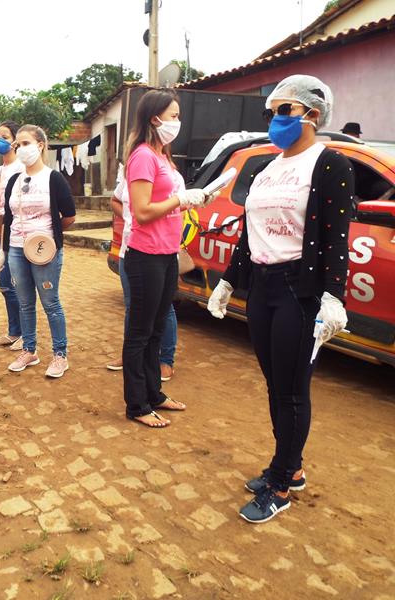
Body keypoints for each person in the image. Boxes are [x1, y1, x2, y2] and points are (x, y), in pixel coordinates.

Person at [207, 75, 353, 523]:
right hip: (264, 288)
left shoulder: (330, 165)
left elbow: (335, 238)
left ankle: (282, 484)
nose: (276, 120)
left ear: (312, 113)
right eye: (272, 112)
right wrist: (230, 280)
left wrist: (332, 296)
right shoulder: (268, 167)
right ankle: (288, 464)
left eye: (285, 110)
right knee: (276, 383)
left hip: (297, 289)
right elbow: (252, 232)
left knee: (290, 389)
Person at [121, 89, 211, 428]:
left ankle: (154, 393)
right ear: (155, 118)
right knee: (140, 333)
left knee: (157, 328)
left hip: (167, 253)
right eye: (173, 116)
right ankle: (137, 404)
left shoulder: (163, 155)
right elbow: (143, 211)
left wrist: (191, 200)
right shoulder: (143, 156)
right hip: (145, 256)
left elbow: (167, 200)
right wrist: (179, 201)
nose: (178, 122)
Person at [0, 124, 76, 378]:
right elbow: (8, 218)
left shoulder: (53, 178)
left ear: (40, 145)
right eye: (18, 144)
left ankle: (60, 355)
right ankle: (29, 350)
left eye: (26, 143)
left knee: (51, 302)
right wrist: (4, 251)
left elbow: (69, 216)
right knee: (25, 303)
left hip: (44, 252)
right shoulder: (15, 181)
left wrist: (47, 236)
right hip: (17, 249)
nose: (20, 148)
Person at [105, 173, 178, 380]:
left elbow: (176, 208)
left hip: (156, 252)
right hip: (129, 250)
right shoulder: (130, 173)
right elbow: (115, 200)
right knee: (132, 306)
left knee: (164, 309)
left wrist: (144, 214)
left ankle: (165, 359)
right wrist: (129, 215)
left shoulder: (171, 176)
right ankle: (132, 356)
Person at [0, 120, 24, 350]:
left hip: (13, 233)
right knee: (4, 286)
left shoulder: (21, 168)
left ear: (15, 142)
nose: (0, 140)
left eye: (5, 136)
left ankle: (25, 334)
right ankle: (13, 332)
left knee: (17, 285)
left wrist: (4, 241)